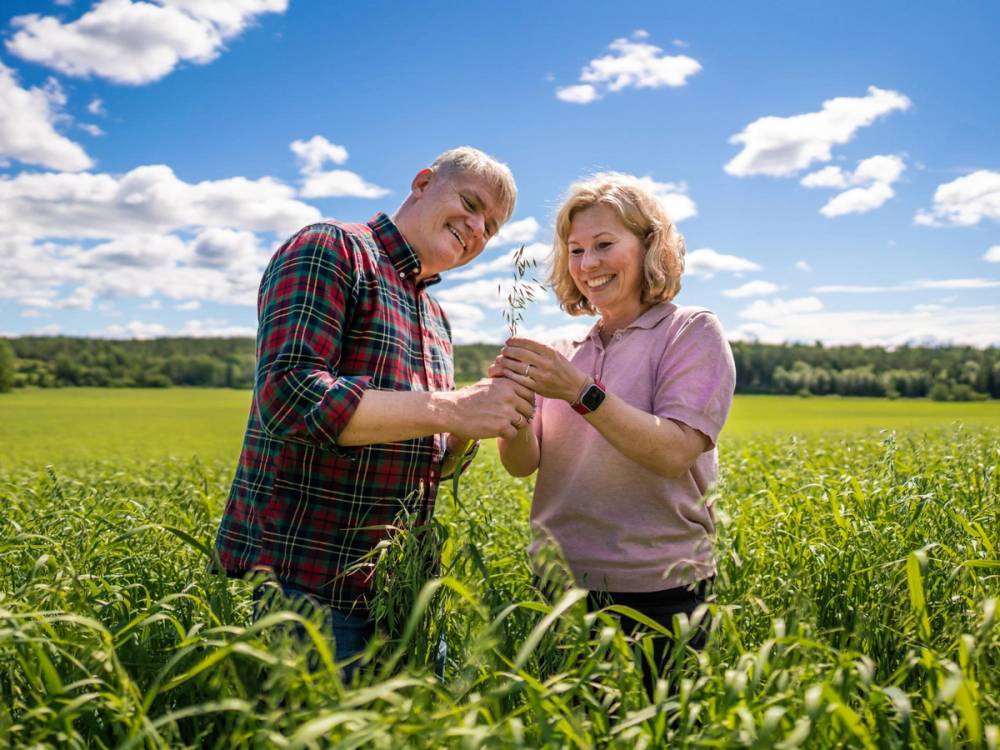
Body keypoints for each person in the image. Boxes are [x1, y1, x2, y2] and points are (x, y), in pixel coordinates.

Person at [215, 146, 535, 674]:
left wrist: (465, 430)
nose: (477, 227)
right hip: (309, 583)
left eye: (491, 227)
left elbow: (428, 448)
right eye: (470, 203)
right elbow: (289, 397)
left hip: (399, 589)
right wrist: (451, 407)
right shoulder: (332, 248)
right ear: (422, 182)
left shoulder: (435, 315)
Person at [491, 172, 736, 691]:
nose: (588, 264)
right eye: (575, 250)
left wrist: (581, 391)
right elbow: (523, 464)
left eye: (604, 244)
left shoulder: (689, 331)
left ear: (650, 245)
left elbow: (672, 452)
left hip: (661, 590)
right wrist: (509, 411)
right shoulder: (563, 346)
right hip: (559, 585)